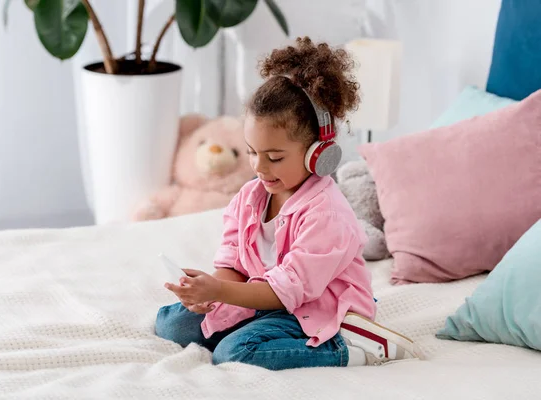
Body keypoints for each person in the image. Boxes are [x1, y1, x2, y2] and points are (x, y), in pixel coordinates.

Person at [155, 37, 421, 370]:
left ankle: (353, 347)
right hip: (263, 299)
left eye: (275, 157)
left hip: (313, 307)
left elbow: (286, 292)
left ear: (317, 153)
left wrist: (222, 292)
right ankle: (254, 326)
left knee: (234, 353)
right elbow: (233, 264)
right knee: (171, 324)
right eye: (252, 152)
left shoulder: (327, 214)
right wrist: (209, 291)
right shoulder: (250, 197)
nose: (259, 167)